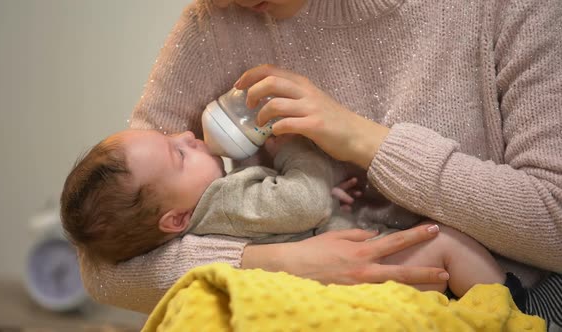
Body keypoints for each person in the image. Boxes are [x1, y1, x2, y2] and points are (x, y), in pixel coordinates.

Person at [77, 0, 562, 328]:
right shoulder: (215, 22)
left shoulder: (503, 11)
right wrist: (278, 265)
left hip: (507, 298)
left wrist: (364, 141)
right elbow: (106, 262)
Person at [63, 128, 527, 303]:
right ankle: (515, 309)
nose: (189, 135)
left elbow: (292, 213)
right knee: (442, 242)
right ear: (176, 221)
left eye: (175, 137)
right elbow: (300, 202)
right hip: (356, 276)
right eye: (179, 154)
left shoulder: (211, 215)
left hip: (339, 270)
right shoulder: (225, 201)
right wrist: (298, 152)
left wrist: (324, 196)